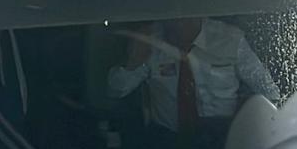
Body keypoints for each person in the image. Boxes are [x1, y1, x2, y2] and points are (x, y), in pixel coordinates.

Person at [108, 16, 280, 134]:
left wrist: (250, 125)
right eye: (172, 18)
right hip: (168, 140)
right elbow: (116, 91)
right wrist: (134, 61)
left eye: (184, 17)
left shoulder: (230, 39)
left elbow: (269, 92)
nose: (178, 23)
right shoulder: (151, 41)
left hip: (221, 137)